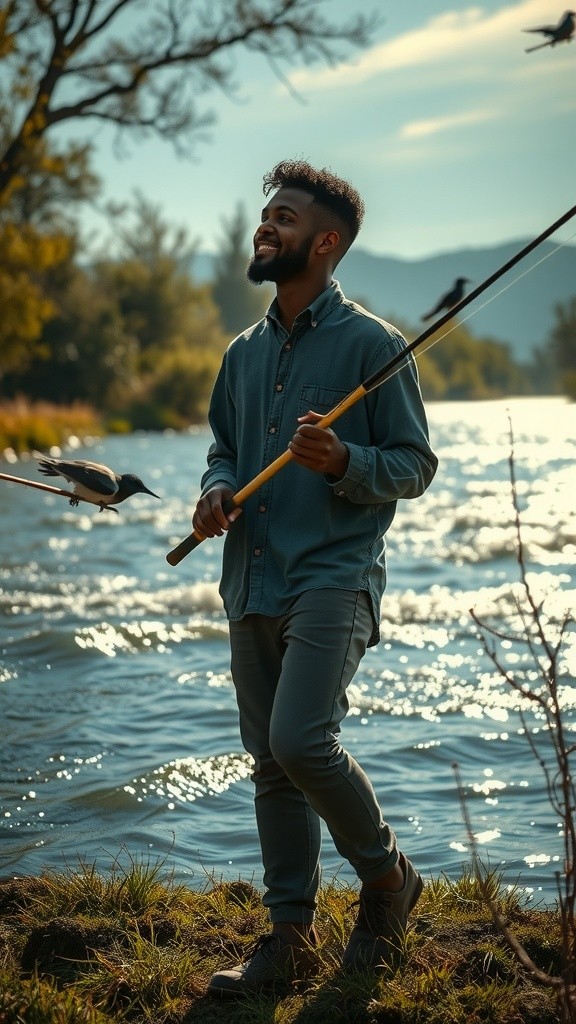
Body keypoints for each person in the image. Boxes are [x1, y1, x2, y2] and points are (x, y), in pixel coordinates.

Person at [191, 159, 438, 997]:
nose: (268, 227)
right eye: (267, 215)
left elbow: (414, 464)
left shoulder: (374, 345)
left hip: (334, 574)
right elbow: (223, 448)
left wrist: (343, 460)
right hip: (249, 576)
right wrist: (214, 491)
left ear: (326, 242)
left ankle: (387, 879)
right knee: (270, 762)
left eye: (286, 218)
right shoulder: (241, 352)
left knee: (302, 742)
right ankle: (289, 936)